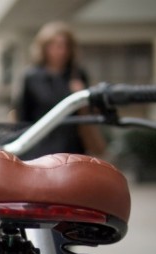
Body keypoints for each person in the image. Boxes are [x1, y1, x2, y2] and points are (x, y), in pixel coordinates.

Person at [15, 21, 104, 158]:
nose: (61, 51)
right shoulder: (32, 77)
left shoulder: (77, 74)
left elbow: (89, 114)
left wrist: (80, 95)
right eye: (56, 46)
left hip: (73, 147)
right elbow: (22, 117)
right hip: (40, 147)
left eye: (65, 46)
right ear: (44, 48)